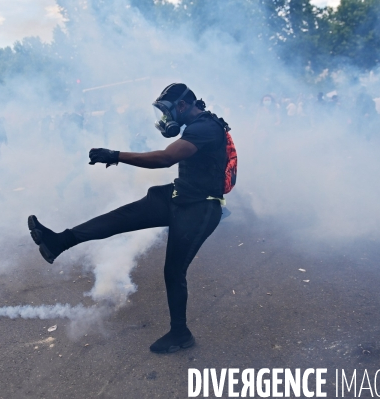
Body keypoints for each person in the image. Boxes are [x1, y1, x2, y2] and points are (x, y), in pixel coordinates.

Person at [28, 83, 231, 354]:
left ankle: (180, 334)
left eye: (167, 111)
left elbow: (166, 158)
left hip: (201, 209)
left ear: (182, 106)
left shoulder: (206, 128)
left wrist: (116, 156)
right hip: (179, 196)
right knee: (122, 217)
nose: (165, 118)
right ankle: (58, 242)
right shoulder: (196, 126)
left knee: (173, 271)